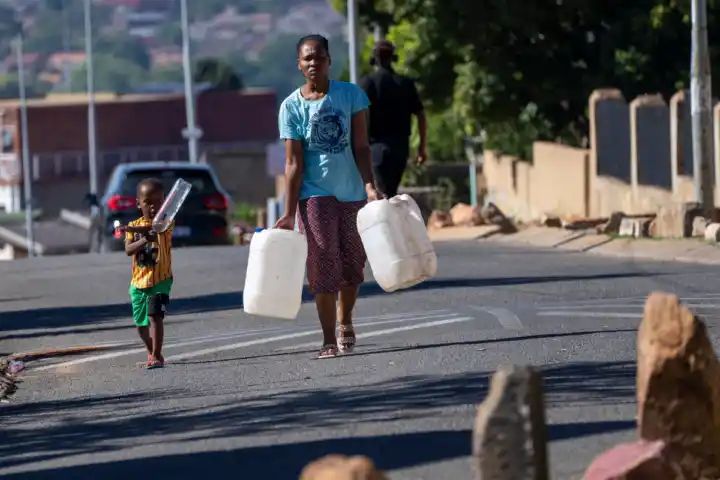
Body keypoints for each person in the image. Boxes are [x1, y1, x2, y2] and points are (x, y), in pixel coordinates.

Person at [275, 34, 382, 359]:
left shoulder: (351, 95)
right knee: (322, 265)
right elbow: (293, 163)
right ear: (298, 64)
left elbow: (362, 147)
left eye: (318, 57)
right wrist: (289, 211)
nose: (313, 63)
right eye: (307, 58)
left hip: (351, 192)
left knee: (352, 264)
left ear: (328, 60)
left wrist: (369, 186)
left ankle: (345, 319)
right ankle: (327, 340)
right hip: (315, 196)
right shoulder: (291, 107)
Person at [359, 40, 428, 198]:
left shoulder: (367, 83)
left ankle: (385, 221)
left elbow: (358, 116)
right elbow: (421, 115)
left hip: (375, 148)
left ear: (374, 59)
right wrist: (421, 148)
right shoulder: (405, 83)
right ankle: (390, 221)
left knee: (380, 194)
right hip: (400, 148)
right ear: (393, 58)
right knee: (391, 192)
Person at [121, 178, 174, 369]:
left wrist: (136, 229)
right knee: (141, 325)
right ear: (138, 203)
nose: (153, 207)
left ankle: (157, 355)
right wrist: (142, 239)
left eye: (158, 202)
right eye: (148, 202)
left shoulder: (167, 223)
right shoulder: (132, 226)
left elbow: (156, 228)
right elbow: (128, 250)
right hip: (138, 283)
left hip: (161, 279)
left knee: (155, 316)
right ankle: (151, 350)